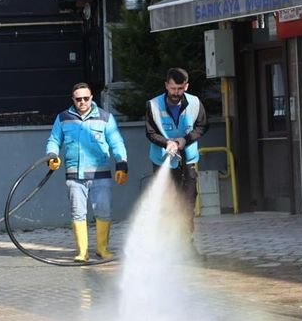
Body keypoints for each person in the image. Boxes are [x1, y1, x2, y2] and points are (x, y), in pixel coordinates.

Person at [46, 82, 129, 262]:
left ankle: (102, 249)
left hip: (101, 175)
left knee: (104, 212)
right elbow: (54, 140)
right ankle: (82, 252)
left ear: (92, 98)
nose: (82, 102)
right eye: (78, 99)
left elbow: (116, 142)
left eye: (86, 98)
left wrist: (122, 163)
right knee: (78, 213)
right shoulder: (63, 118)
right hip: (75, 177)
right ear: (73, 100)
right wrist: (52, 155)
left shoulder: (105, 118)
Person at [145, 67, 209, 247]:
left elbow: (202, 126)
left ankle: (186, 245)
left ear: (186, 86)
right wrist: (167, 143)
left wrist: (184, 140)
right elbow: (150, 133)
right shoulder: (153, 105)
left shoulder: (195, 103)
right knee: (166, 204)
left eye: (180, 89)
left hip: (188, 161)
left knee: (187, 204)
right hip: (162, 161)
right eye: (173, 88)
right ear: (166, 85)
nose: (176, 93)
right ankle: (166, 246)